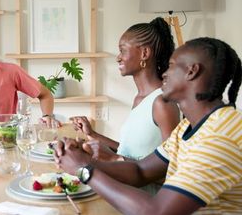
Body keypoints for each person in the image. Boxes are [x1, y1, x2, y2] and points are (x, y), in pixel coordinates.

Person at [55, 37, 242, 214]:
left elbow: (156, 211)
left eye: (171, 66)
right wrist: (84, 161)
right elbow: (141, 171)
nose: (164, 73)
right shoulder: (189, 125)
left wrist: (83, 170)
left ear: (191, 71)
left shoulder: (220, 136)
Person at [72, 17, 180, 164]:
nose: (118, 58)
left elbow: (171, 165)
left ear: (144, 53)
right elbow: (130, 152)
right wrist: (92, 134)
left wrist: (113, 158)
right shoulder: (140, 98)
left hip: (139, 187)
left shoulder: (163, 103)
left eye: (122, 50)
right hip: (125, 182)